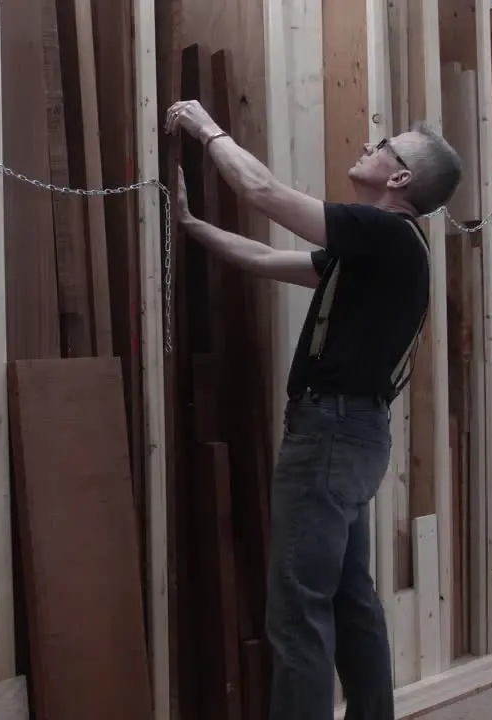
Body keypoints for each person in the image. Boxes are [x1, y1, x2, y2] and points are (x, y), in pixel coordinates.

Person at [164, 99, 463, 720]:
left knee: (298, 608)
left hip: (328, 434)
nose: (369, 146)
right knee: (350, 599)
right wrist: (193, 226)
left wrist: (206, 127)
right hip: (354, 438)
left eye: (384, 144)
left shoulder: (382, 232)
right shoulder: (382, 251)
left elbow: (263, 191)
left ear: (401, 178)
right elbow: (266, 260)